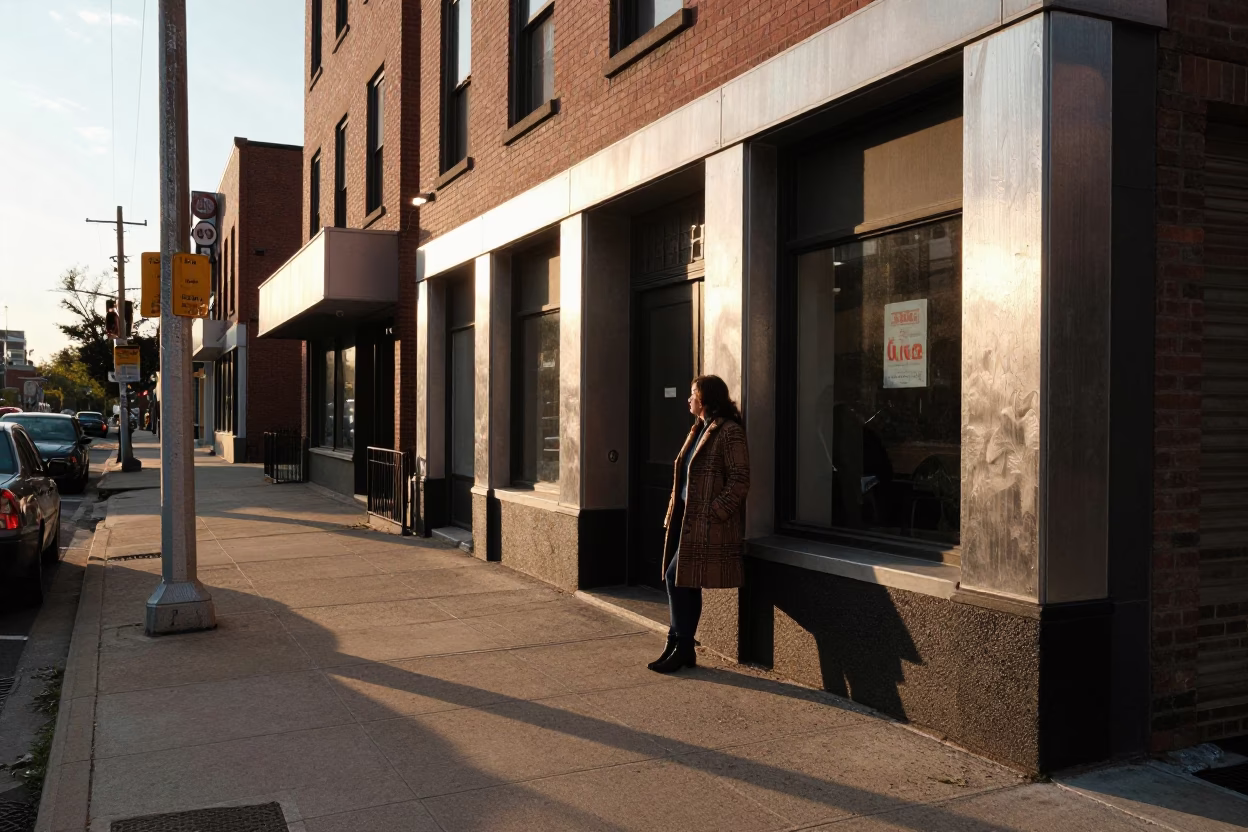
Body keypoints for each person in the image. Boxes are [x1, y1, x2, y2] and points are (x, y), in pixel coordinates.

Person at [648, 374, 751, 673]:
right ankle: (680, 646)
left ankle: (681, 644)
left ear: (706, 398)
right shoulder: (698, 429)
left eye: (692, 394)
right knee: (684, 582)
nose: (688, 399)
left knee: (674, 576)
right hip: (686, 519)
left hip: (707, 525)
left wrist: (714, 513)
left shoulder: (728, 431)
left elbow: (740, 480)